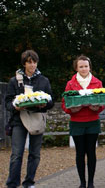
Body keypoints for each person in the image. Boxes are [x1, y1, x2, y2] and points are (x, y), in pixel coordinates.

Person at [5, 50, 54, 188]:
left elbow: (51, 100)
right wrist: (16, 107)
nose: (32, 65)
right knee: (16, 154)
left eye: (34, 62)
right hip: (19, 120)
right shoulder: (14, 81)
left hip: (37, 119)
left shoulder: (43, 80)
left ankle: (29, 182)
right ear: (24, 63)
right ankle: (12, 184)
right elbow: (7, 102)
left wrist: (45, 104)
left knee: (35, 154)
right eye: (29, 62)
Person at [62, 55, 105, 188]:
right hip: (77, 122)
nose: (84, 68)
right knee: (80, 153)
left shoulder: (97, 83)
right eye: (81, 66)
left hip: (92, 121)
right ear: (76, 68)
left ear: (89, 67)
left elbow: (102, 103)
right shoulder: (70, 84)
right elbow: (64, 104)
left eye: (86, 66)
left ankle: (91, 182)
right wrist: (71, 110)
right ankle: (82, 182)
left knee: (91, 152)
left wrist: (97, 108)